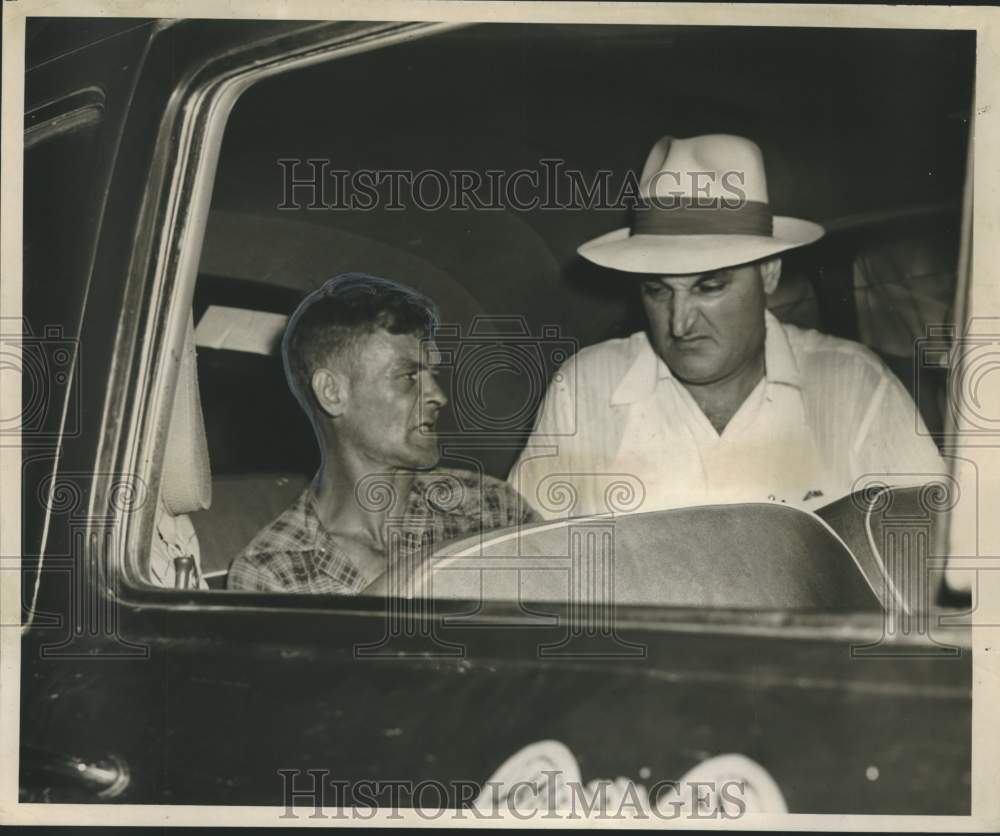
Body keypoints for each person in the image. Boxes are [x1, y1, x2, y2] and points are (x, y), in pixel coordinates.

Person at [510, 134, 946, 519]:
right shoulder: (586, 389)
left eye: (709, 287)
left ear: (769, 274)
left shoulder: (854, 386)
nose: (679, 324)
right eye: (658, 291)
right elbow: (521, 566)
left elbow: (927, 566)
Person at [229, 273, 540, 593]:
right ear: (332, 393)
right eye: (408, 376)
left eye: (432, 374)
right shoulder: (274, 573)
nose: (438, 395)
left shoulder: (493, 508)